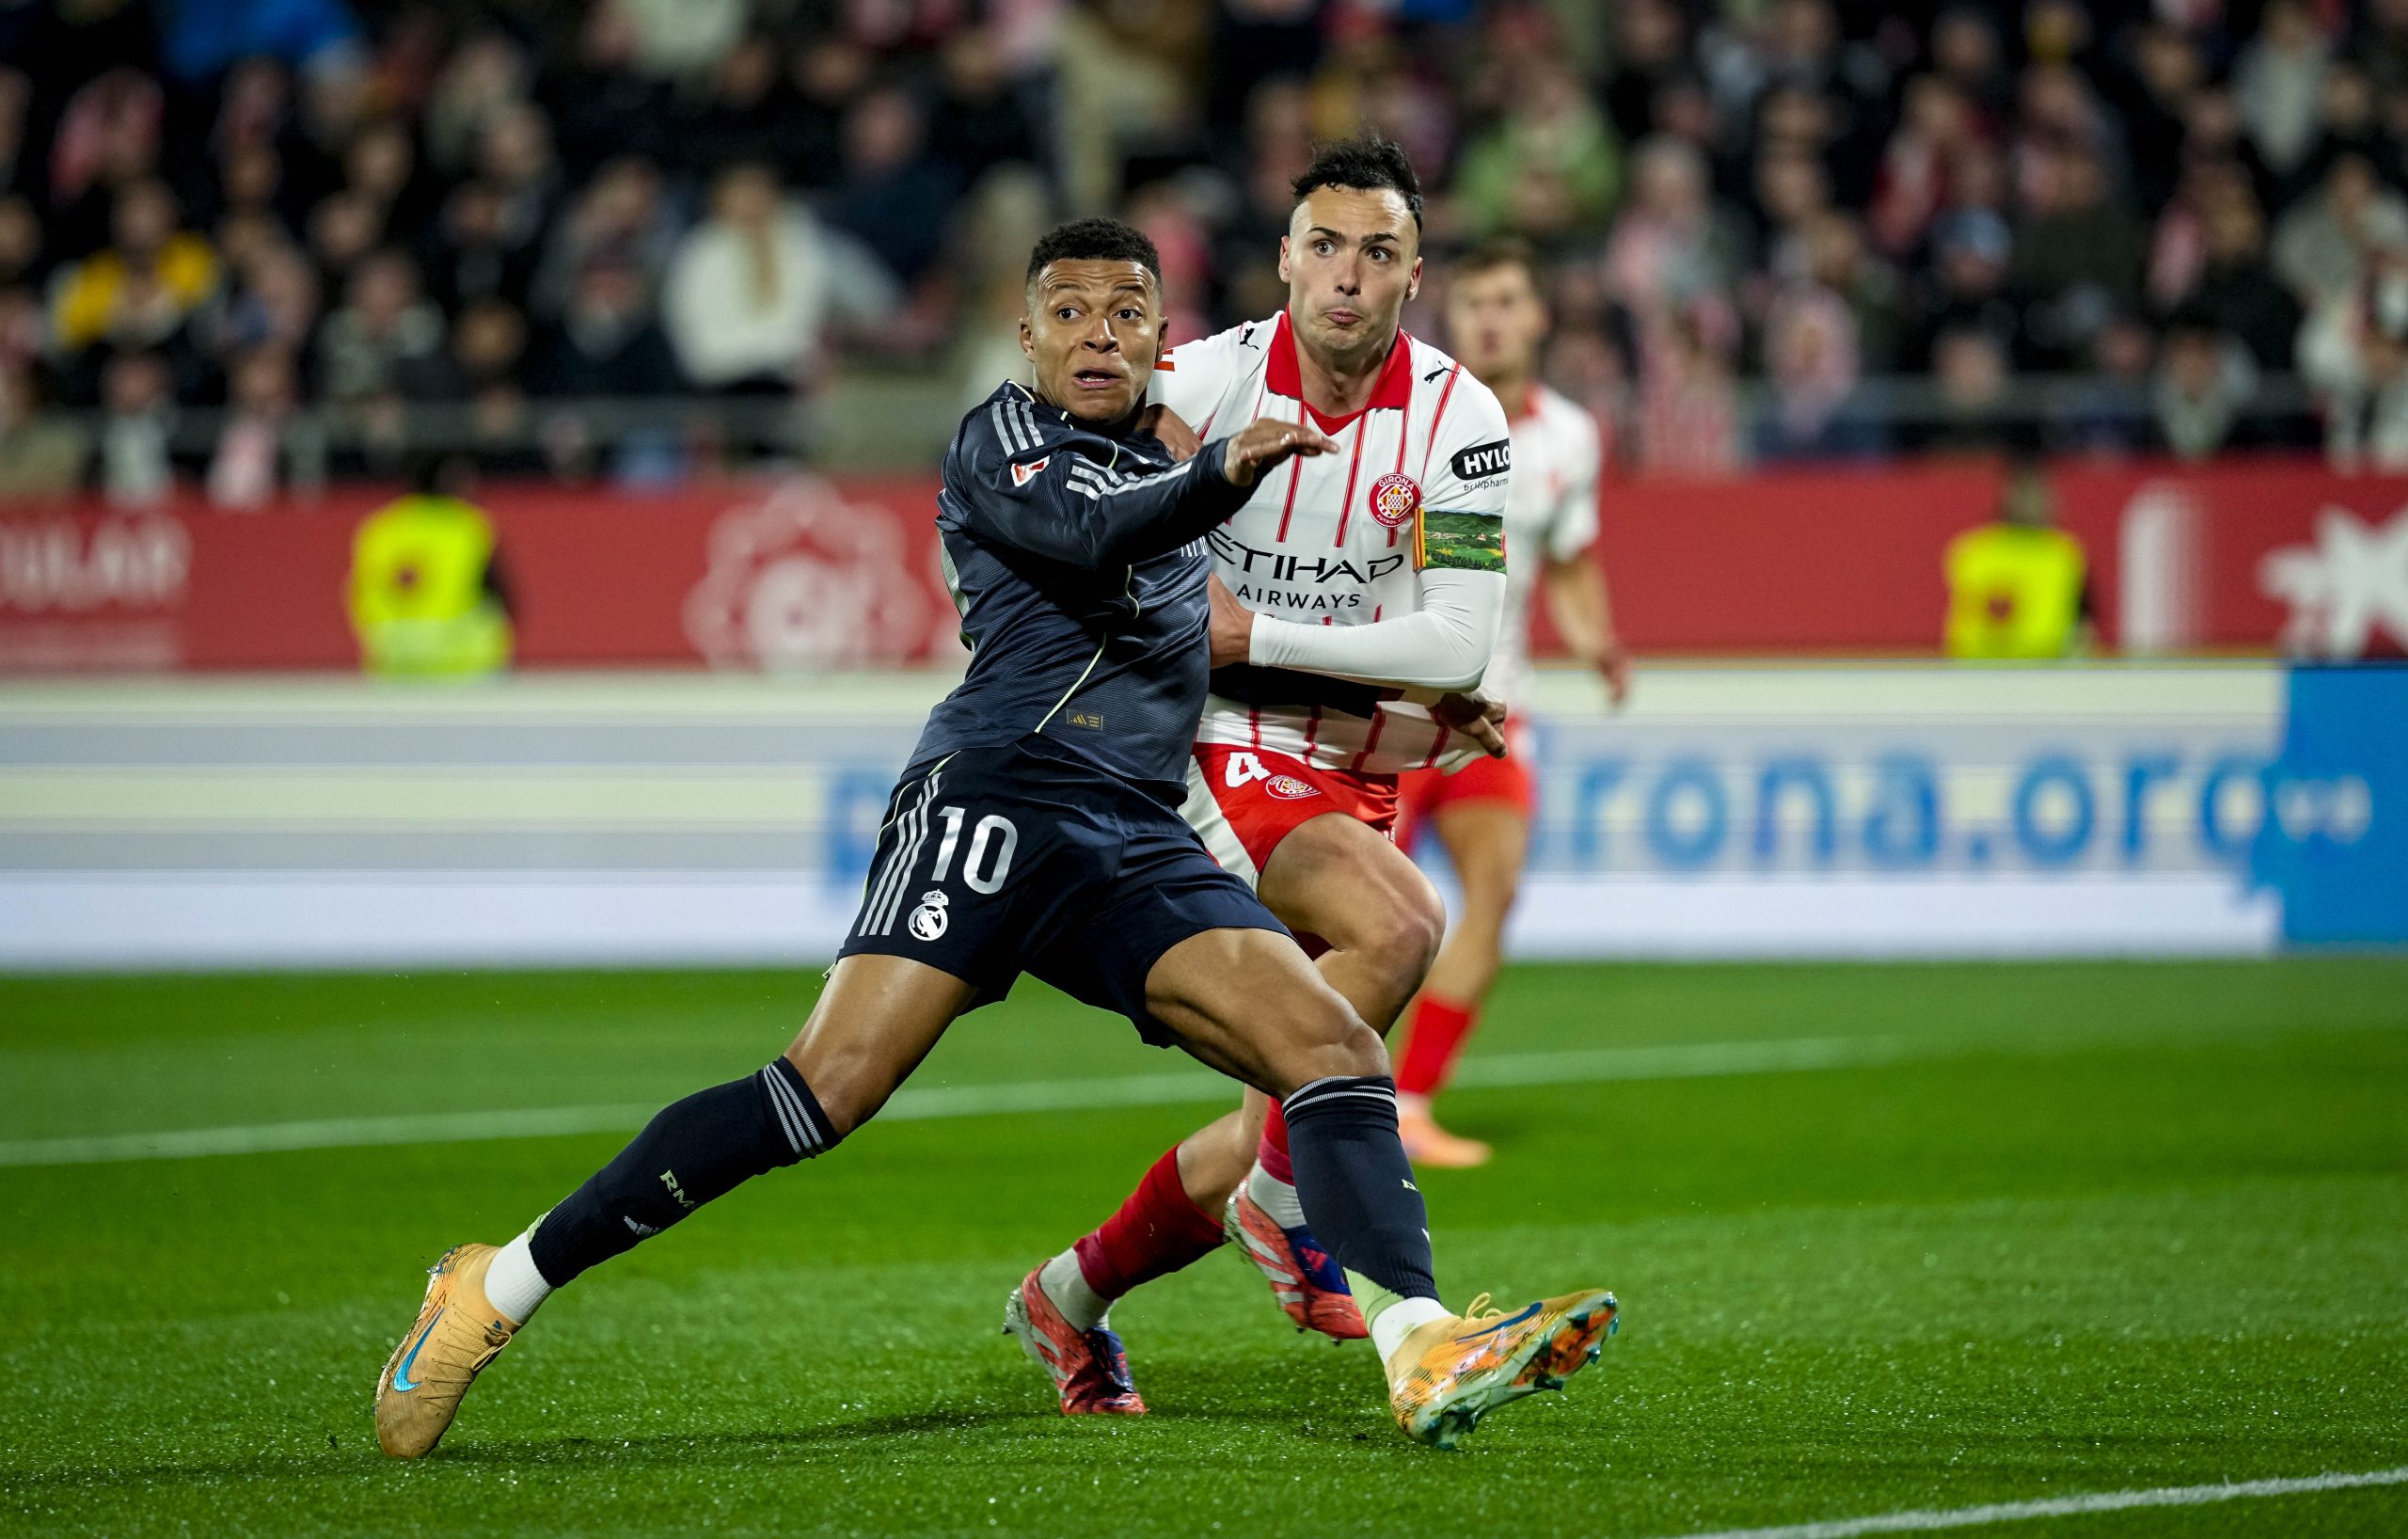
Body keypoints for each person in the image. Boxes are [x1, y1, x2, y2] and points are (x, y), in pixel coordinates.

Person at [371, 217, 1615, 1461]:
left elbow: (1221, 639)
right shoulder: (1007, 438)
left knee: (1332, 1044)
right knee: (820, 1095)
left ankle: (1422, 1340)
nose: (1097, 336)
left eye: (1126, 314)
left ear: (1158, 339)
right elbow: (1095, 531)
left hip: (1130, 832)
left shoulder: (1183, 459)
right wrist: (1223, 473)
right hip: (995, 799)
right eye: (1068, 314)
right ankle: (496, 1287)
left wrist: (1410, 706)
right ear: (1025, 336)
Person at [1013, 136, 1536, 1403]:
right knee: (1405, 923)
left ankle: (1069, 1296)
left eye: (1381, 252)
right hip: (1211, 747)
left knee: (1295, 1098)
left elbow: (1460, 641)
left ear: (1415, 277)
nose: (1348, 275)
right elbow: (1049, 512)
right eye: (1326, 246)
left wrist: (1271, 638)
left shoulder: (1463, 419)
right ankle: (1398, 1311)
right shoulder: (1193, 383)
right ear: (1285, 261)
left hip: (1354, 766)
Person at [1388, 241, 1631, 1167]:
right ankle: (1309, 1104)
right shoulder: (1411, 413)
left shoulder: (1570, 438)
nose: (1489, 317)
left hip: (1496, 711)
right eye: (1474, 302)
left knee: (1492, 898)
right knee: (1365, 920)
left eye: (1506, 301)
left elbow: (1568, 560)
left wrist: (1598, 640)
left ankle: (1409, 1105)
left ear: (1537, 318)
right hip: (1395, 709)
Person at [346, 456, 515, 676]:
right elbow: (499, 592)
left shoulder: (379, 528)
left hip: (395, 662)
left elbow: (359, 591)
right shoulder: (466, 526)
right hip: (464, 664)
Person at [1942, 459, 2093, 659]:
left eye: (2038, 493)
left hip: (2046, 670)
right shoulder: (1973, 550)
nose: (2032, 502)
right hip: (1978, 669)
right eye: (2023, 493)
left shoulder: (2064, 553)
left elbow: (2084, 624)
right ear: (2006, 496)